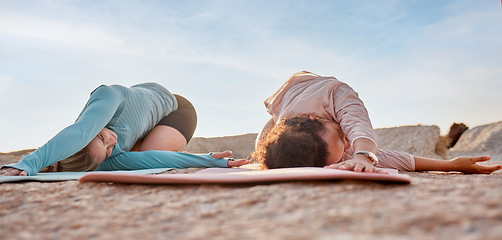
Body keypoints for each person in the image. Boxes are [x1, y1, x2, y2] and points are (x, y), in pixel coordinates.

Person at [253, 71, 502, 174]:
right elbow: (388, 157)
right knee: (270, 149)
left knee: (265, 139)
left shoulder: (338, 95)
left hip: (303, 86)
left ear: (316, 118)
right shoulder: (288, 128)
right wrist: (449, 164)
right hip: (289, 120)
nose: (348, 140)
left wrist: (362, 154)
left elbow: (358, 128)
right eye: (345, 148)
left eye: (341, 135)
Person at [1, 83, 248, 176]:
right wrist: (209, 160)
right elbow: (157, 159)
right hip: (145, 122)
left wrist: (29, 163)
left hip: (176, 109)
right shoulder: (106, 159)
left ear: (90, 130)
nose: (112, 140)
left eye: (100, 136)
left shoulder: (107, 96)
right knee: (145, 159)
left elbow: (82, 130)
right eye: (108, 150)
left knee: (142, 149)